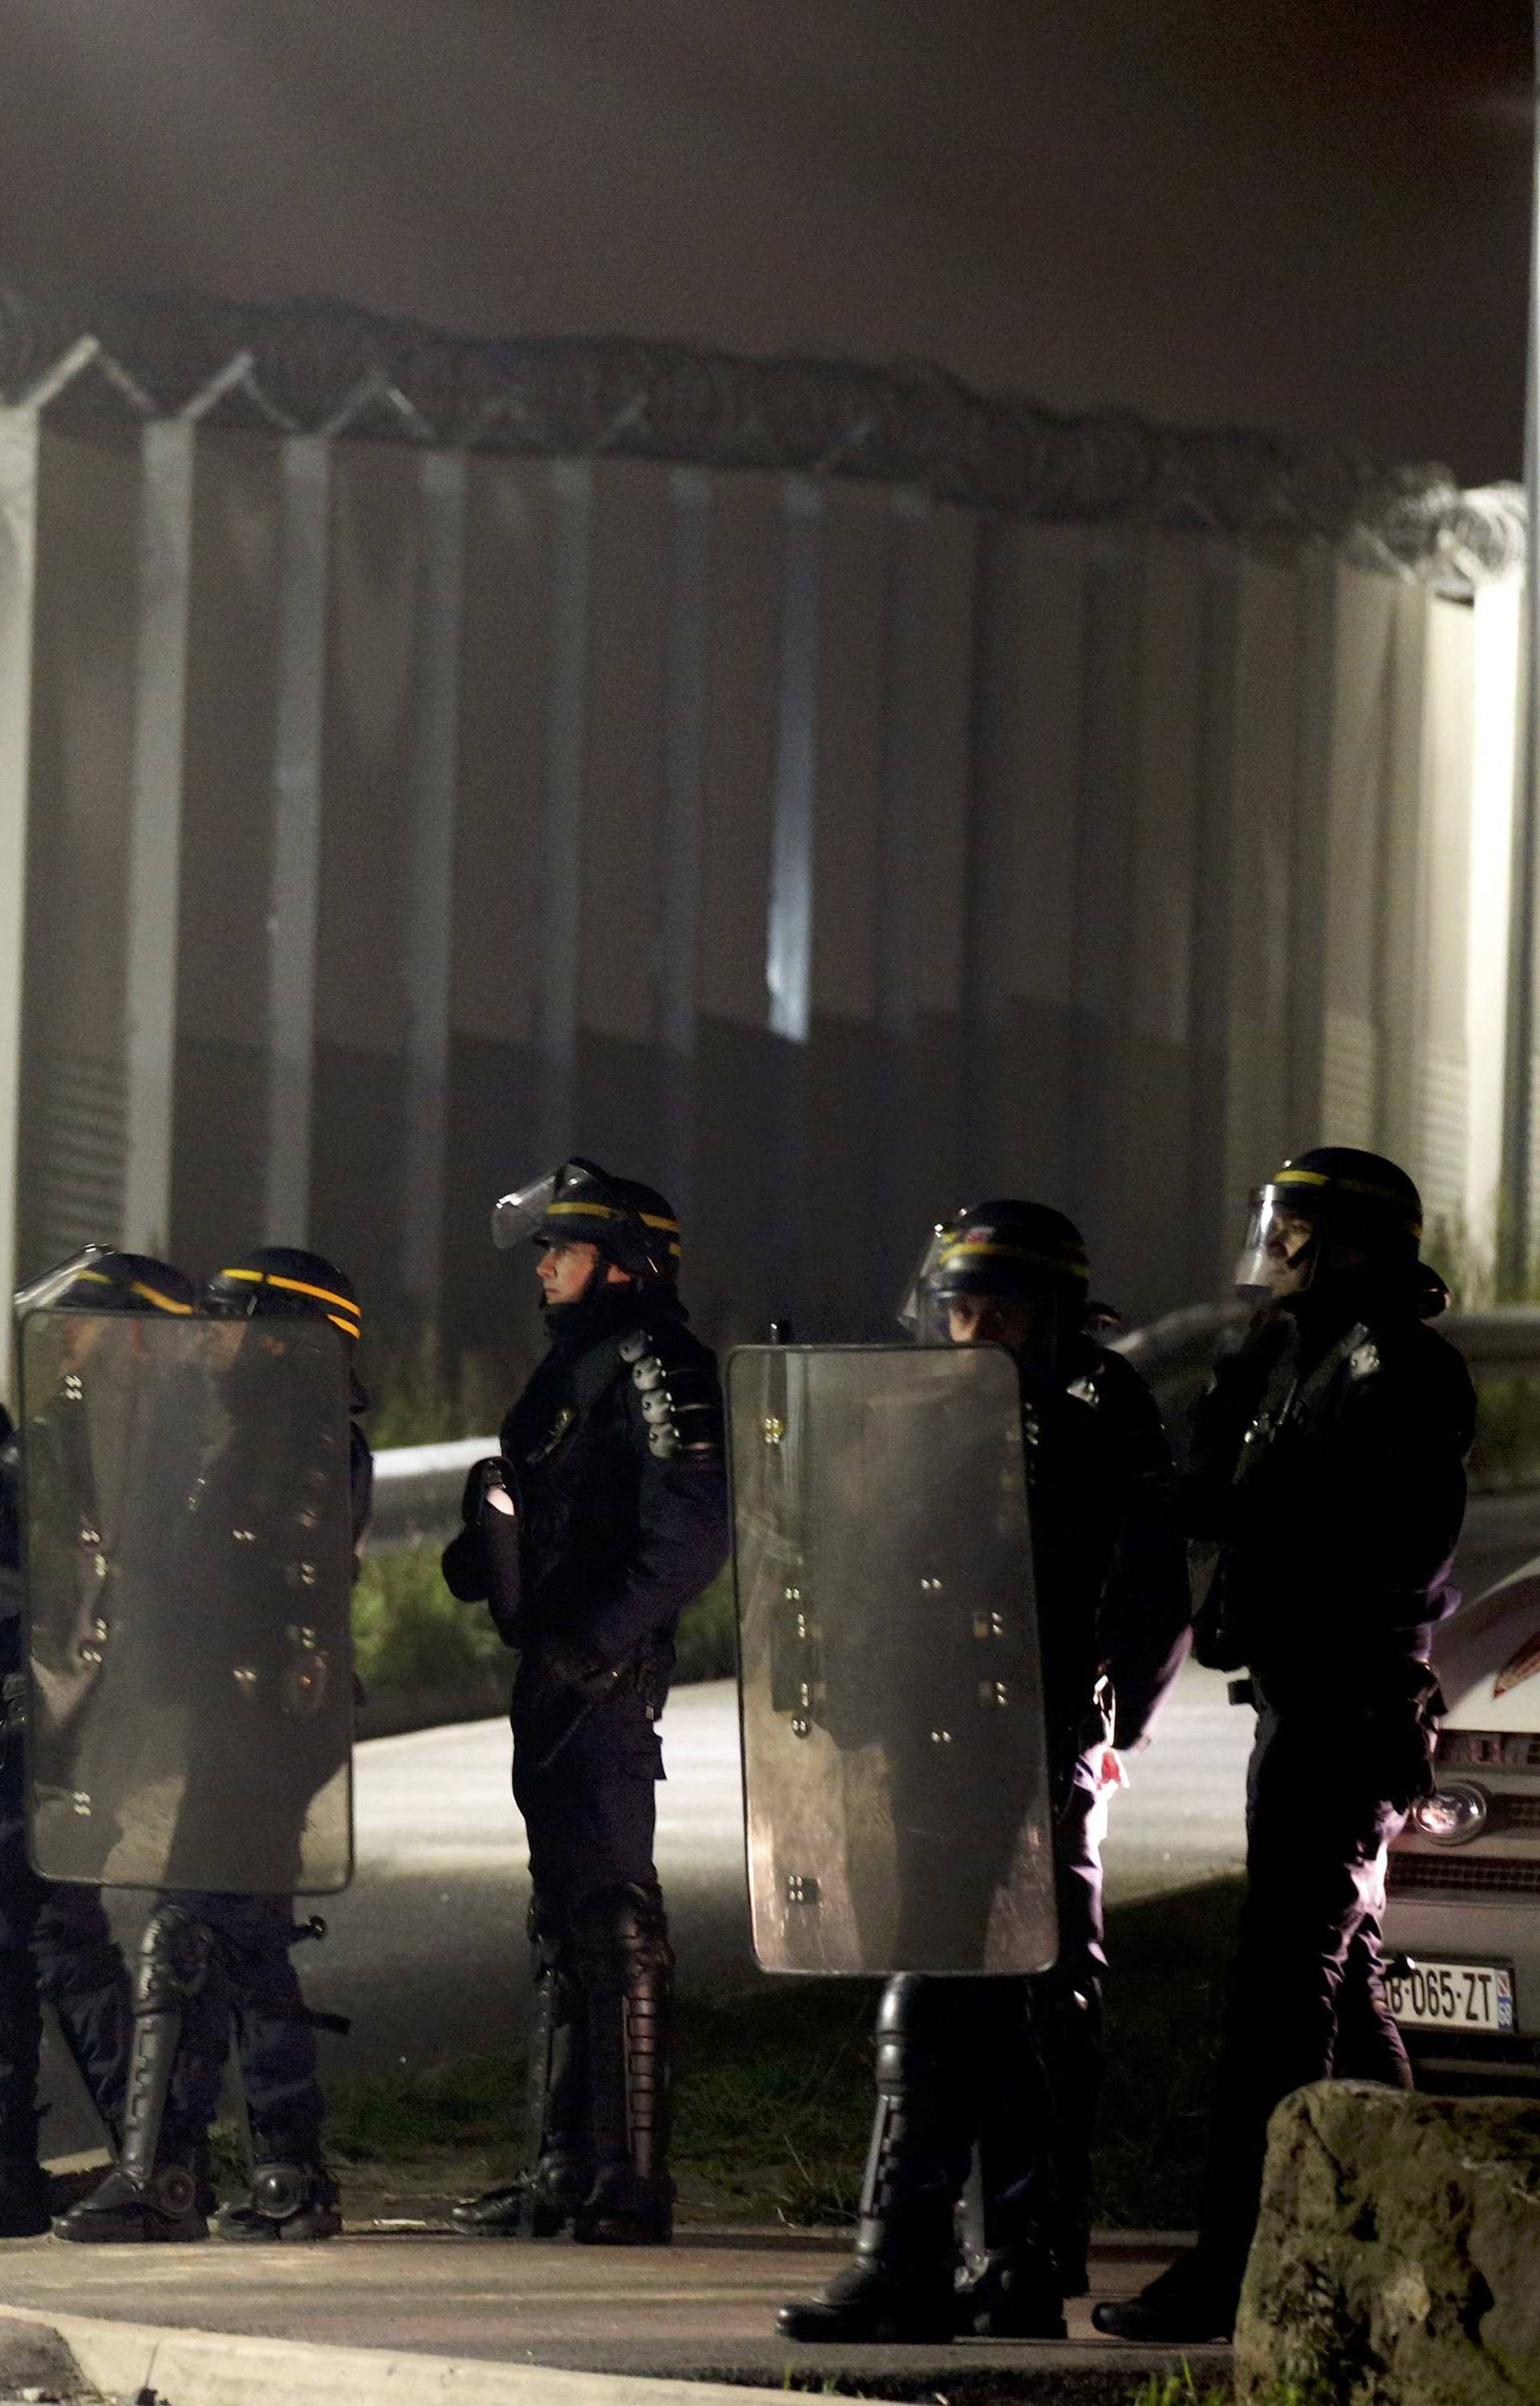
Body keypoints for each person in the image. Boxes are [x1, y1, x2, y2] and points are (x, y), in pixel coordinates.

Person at [777, 1200, 1189, 2343]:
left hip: (1036, 1743)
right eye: (961, 1308)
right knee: (994, 1999)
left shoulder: (1102, 1404)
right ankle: (1009, 2263)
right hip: (929, 1731)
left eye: (1000, 1310)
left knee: (982, 1988)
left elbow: (1150, 1595)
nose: (976, 1331)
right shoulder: (922, 1407)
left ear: (1053, 1315)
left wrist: (1106, 1734)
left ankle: (919, 2256)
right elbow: (876, 1558)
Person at [1093, 1147, 1475, 2344]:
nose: (1278, 1247)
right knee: (1343, 1985)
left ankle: (1246, 2260)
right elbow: (1208, 1490)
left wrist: (1258, 1503)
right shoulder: (1283, 1353)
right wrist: (1209, 1412)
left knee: (1279, 1987)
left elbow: (1379, 1539)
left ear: (1352, 1239)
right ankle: (1405, 2238)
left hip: (1349, 1704)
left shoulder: (1403, 1368)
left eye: (1297, 1229)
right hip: (1297, 1700)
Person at [57, 1247, 370, 2245]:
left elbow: (252, 1580)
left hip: (262, 1723)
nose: (216, 1336)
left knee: (184, 1933)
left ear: (283, 1333)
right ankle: (286, 2173)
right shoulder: (263, 1434)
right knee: (250, 1939)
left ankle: (162, 2178)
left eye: (235, 1318)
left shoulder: (301, 1444)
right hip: (258, 1720)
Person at [445, 1158, 728, 2246]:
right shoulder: (576, 1368)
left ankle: (631, 2178)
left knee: (614, 1918)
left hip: (601, 1679)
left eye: (562, 1247)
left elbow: (691, 1530)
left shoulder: (662, 1362)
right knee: (563, 1920)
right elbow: (551, 1506)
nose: (546, 1267)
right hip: (554, 1673)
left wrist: (595, 1643)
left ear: (621, 1259)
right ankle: (561, 2168)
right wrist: (486, 1553)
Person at [0, 1252, 192, 2235]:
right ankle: (145, 2146)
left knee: (49, 1933)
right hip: (63, 1716)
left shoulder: (108, 1434)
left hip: (58, 1722)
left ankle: (149, 2151)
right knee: (51, 1931)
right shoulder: (98, 1430)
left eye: (77, 1323)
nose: (56, 1339)